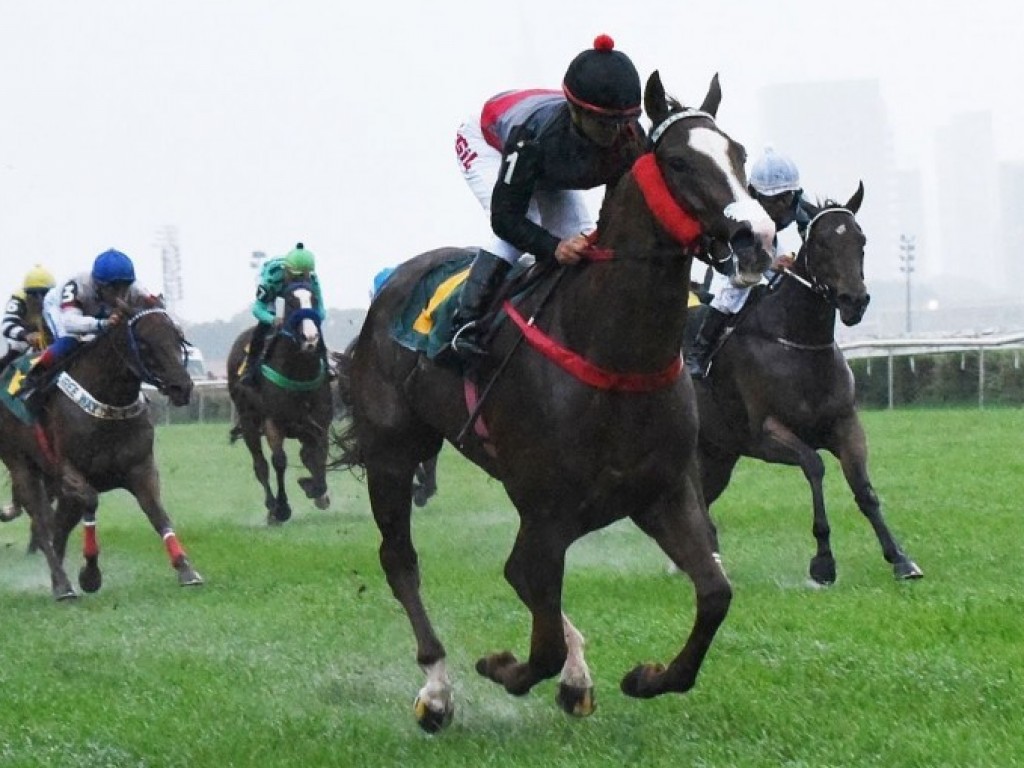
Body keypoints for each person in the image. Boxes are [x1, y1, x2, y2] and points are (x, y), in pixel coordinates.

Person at [449, 33, 647, 359]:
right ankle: (464, 322)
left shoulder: (630, 137)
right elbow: (505, 219)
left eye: (622, 122)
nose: (614, 133)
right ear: (576, 112)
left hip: (550, 160)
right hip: (488, 140)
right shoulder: (532, 138)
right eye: (603, 123)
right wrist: (553, 248)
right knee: (528, 227)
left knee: (580, 237)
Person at [685, 145, 813, 377]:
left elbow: (812, 238)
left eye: (786, 197)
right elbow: (740, 252)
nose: (781, 206)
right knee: (739, 286)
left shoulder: (801, 202)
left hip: (769, 242)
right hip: (735, 250)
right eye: (772, 200)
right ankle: (699, 355)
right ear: (754, 193)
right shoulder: (741, 206)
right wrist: (771, 263)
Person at [16, 249, 161, 402]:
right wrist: (102, 324)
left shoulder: (136, 287)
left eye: (124, 287)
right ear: (98, 285)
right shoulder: (77, 285)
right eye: (113, 288)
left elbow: (158, 309)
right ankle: (34, 380)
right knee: (70, 341)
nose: (119, 293)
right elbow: (69, 323)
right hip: (61, 310)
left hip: (95, 311)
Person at [239, 242, 326, 387]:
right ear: (287, 271)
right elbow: (258, 309)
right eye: (296, 276)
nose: (301, 280)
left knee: (314, 328)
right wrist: (273, 319)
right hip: (274, 293)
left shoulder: (313, 280)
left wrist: (313, 320)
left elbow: (321, 311)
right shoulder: (273, 279)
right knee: (263, 328)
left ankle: (327, 367)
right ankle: (250, 368)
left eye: (304, 276)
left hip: (298, 301)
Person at [1, 264, 56, 372]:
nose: (39, 299)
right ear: (26, 292)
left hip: (51, 343)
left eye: (43, 293)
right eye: (33, 293)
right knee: (11, 357)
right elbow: (7, 324)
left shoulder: (57, 299)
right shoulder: (18, 298)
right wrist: (26, 335)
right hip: (23, 341)